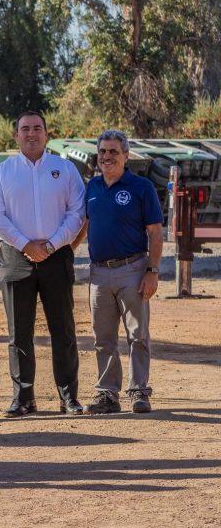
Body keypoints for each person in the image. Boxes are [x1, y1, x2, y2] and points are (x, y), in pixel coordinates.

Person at [0, 111, 85, 418]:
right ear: (16, 135)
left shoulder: (65, 169)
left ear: (47, 134)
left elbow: (76, 213)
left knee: (64, 330)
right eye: (25, 129)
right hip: (15, 257)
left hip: (56, 256)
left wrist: (52, 244)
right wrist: (25, 244)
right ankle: (23, 398)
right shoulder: (2, 172)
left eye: (37, 128)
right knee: (19, 333)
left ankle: (68, 397)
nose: (31, 133)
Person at [73, 129, 163, 414]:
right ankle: (108, 395)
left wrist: (152, 270)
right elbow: (85, 224)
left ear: (126, 155)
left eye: (113, 151)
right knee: (103, 338)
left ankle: (139, 392)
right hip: (99, 274)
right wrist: (67, 251)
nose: (107, 156)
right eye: (102, 151)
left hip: (133, 269)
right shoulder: (93, 187)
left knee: (137, 335)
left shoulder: (141, 187)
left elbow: (156, 232)